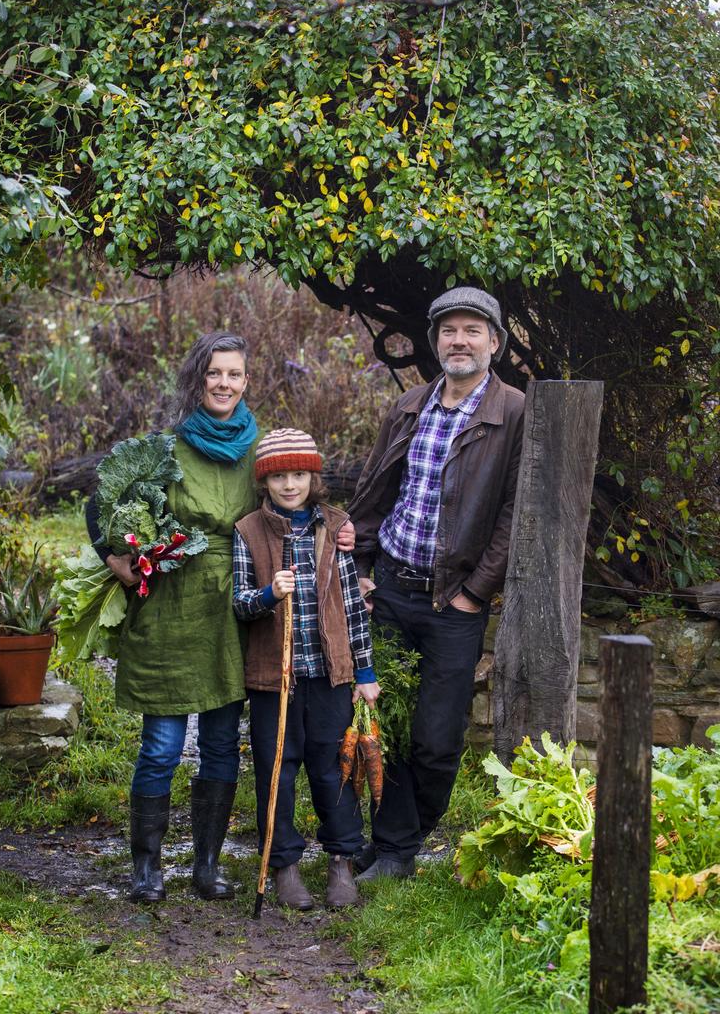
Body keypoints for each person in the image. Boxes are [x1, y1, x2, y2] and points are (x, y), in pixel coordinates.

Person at [86, 334, 354, 905]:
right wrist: (116, 560)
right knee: (161, 744)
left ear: (247, 381)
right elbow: (100, 504)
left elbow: (298, 498)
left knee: (218, 743)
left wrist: (341, 525)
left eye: (234, 374)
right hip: (172, 608)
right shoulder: (166, 448)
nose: (224, 383)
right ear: (198, 379)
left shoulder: (261, 447)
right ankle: (147, 867)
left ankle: (206, 867)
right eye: (214, 373)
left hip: (238, 608)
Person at [348, 286, 525, 881]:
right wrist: (365, 569)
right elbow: (377, 488)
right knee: (390, 718)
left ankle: (410, 832)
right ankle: (395, 847)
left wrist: (476, 590)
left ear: (494, 344)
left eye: (473, 330)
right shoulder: (411, 405)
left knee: (438, 734)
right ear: (435, 342)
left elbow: (514, 512)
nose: (460, 340)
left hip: (454, 598)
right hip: (394, 586)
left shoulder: (514, 413)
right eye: (449, 330)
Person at [233, 428, 380, 910]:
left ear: (312, 477)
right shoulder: (248, 531)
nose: (290, 485)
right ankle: (284, 864)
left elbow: (353, 608)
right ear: (265, 482)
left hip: (328, 673)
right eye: (279, 477)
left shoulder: (335, 526)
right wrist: (268, 594)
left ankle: (341, 858)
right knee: (277, 769)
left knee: (332, 767)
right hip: (273, 678)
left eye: (298, 474)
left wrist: (364, 672)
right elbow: (239, 605)